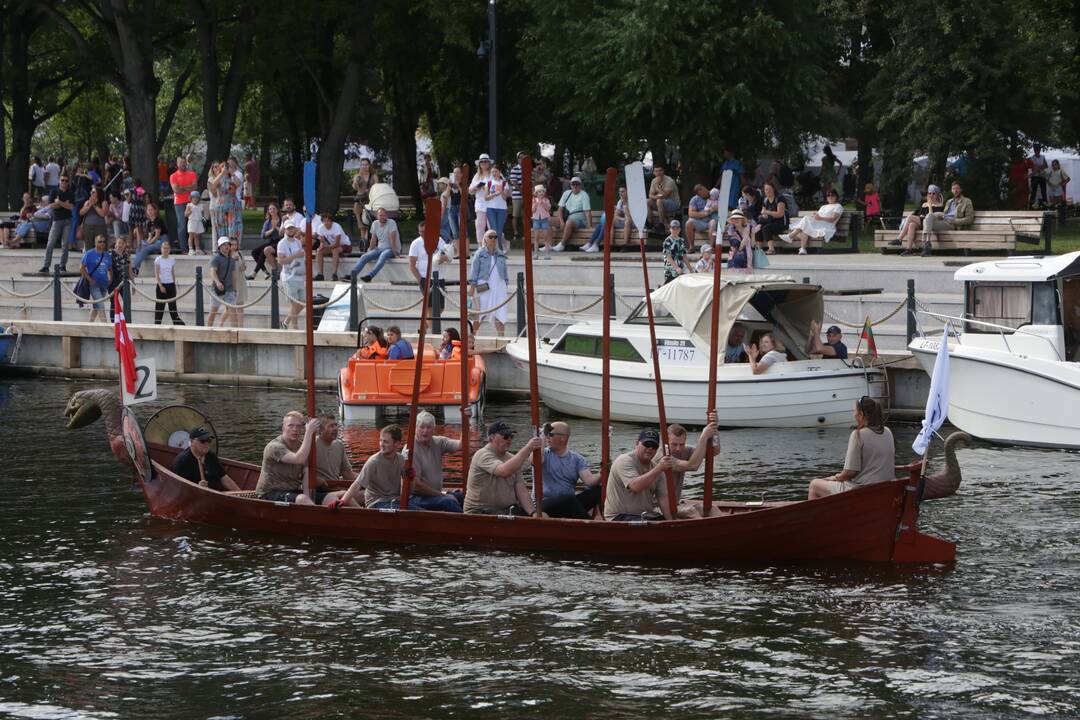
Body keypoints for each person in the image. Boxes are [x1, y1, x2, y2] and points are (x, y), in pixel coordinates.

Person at [808, 396, 895, 499]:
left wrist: (835, 477)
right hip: (885, 488)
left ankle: (815, 515)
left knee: (814, 485)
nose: (854, 414)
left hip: (861, 491)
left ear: (861, 414)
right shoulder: (888, 432)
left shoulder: (858, 435)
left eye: (855, 411)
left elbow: (850, 472)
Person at [255, 411, 343, 505]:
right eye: (291, 425)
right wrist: (309, 432)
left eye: (298, 426)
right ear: (283, 427)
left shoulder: (302, 447)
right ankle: (316, 517)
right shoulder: (274, 447)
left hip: (292, 490)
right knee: (302, 499)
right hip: (269, 493)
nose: (295, 429)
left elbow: (306, 473)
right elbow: (298, 459)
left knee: (331, 497)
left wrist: (309, 499)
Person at [463, 420, 543, 515]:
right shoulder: (482, 454)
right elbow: (503, 471)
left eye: (511, 436)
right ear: (492, 437)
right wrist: (529, 448)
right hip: (480, 510)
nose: (509, 440)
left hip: (506, 510)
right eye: (505, 436)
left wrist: (533, 513)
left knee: (543, 513)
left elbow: (521, 490)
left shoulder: (512, 458)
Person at [603, 428, 675, 521]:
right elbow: (635, 486)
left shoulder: (658, 470)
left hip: (644, 516)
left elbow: (663, 499)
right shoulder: (624, 460)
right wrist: (659, 468)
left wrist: (670, 522)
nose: (650, 448)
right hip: (618, 516)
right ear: (637, 443)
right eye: (647, 444)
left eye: (654, 446)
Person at [404, 410, 466, 512]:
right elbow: (415, 486)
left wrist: (465, 420)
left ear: (434, 429)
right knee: (448, 501)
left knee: (463, 496)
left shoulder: (438, 442)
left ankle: (476, 520)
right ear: (415, 428)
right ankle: (465, 526)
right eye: (422, 427)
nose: (425, 431)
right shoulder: (410, 449)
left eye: (429, 427)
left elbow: (461, 445)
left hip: (434, 494)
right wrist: (442, 495)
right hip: (415, 498)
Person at [539, 421, 600, 519]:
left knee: (598, 490)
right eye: (546, 434)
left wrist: (602, 473)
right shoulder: (543, 453)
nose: (547, 437)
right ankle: (591, 527)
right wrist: (542, 434)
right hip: (545, 503)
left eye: (550, 434)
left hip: (568, 503)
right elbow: (535, 461)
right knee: (567, 498)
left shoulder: (577, 459)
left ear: (563, 438)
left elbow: (589, 481)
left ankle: (598, 517)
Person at [666, 416, 720, 519]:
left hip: (676, 504)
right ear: (666, 441)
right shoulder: (663, 455)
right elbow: (692, 466)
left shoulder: (685, 451)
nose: (678, 448)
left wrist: (715, 429)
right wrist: (703, 437)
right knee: (691, 512)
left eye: (681, 444)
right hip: (658, 507)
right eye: (674, 444)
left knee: (712, 508)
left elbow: (714, 452)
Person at [312, 413, 361, 508]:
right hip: (322, 490)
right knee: (349, 494)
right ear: (321, 430)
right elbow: (302, 472)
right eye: (330, 426)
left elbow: (347, 473)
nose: (335, 428)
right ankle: (364, 515)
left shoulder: (339, 445)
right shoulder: (312, 444)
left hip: (337, 487)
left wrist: (367, 479)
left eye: (336, 425)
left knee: (368, 493)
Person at [170, 426, 240, 491]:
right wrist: (197, 488)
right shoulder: (181, 462)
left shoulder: (210, 456)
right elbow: (178, 489)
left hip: (215, 496)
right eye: (202, 441)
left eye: (209, 440)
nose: (206, 444)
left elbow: (224, 478)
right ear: (191, 442)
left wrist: (241, 494)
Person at [469, 229, 509, 336]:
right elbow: (474, 271)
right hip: (484, 286)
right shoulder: (479, 254)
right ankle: (472, 337)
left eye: (495, 237)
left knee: (500, 313)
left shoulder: (500, 254)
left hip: (499, 286)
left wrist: (505, 283)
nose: (493, 239)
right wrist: (472, 287)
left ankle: (501, 340)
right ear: (485, 239)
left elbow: (505, 271)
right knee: (480, 312)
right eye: (490, 237)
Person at [780, 188, 843, 255]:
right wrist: (815, 216)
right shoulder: (824, 207)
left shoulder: (838, 206)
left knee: (806, 220)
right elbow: (818, 216)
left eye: (832, 195)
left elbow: (833, 219)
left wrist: (820, 218)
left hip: (827, 225)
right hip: (818, 223)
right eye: (828, 195)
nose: (830, 197)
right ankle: (802, 249)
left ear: (836, 197)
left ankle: (790, 236)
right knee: (805, 227)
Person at [889, 185, 945, 257]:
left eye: (933, 193)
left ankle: (899, 239)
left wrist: (930, 205)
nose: (931, 195)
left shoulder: (939, 205)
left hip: (929, 225)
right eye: (930, 193)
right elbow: (919, 214)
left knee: (910, 217)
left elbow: (931, 216)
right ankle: (908, 249)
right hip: (921, 223)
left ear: (937, 194)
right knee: (911, 224)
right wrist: (921, 215)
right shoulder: (924, 204)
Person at [921, 180, 974, 255]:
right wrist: (940, 215)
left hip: (953, 225)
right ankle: (927, 243)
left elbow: (969, 219)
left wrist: (954, 221)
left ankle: (925, 245)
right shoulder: (949, 201)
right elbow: (945, 214)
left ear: (961, 189)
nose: (955, 191)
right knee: (929, 216)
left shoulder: (967, 201)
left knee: (927, 220)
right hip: (944, 221)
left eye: (957, 188)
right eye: (953, 189)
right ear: (951, 190)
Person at [350, 207, 399, 282]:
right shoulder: (375, 224)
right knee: (364, 256)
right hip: (379, 249)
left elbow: (392, 240)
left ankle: (370, 276)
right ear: (377, 216)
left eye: (383, 215)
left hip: (392, 249)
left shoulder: (391, 222)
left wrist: (396, 254)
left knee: (383, 255)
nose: (382, 217)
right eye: (380, 215)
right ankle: (352, 275)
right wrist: (369, 250)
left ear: (386, 216)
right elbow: (373, 239)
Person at [38, 175, 75, 273]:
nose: (64, 182)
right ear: (59, 181)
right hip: (57, 220)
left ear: (68, 182)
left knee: (65, 244)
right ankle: (46, 266)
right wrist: (64, 204)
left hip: (67, 220)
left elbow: (71, 207)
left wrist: (59, 202)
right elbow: (51, 206)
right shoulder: (54, 191)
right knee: (50, 243)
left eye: (66, 180)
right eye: (62, 180)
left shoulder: (70, 193)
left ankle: (63, 266)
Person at [278, 221, 306, 329]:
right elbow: (281, 261)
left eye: (292, 228)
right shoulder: (282, 243)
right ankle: (295, 327)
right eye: (288, 228)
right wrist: (294, 255)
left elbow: (301, 257)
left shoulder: (298, 242)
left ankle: (286, 322)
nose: (290, 230)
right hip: (288, 276)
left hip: (298, 275)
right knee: (294, 303)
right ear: (285, 230)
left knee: (303, 302)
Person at [553, 177, 592, 251]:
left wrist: (589, 226)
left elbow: (587, 212)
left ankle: (562, 244)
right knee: (548, 220)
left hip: (580, 221)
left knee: (569, 222)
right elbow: (560, 210)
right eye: (573, 184)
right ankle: (548, 244)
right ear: (570, 185)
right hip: (567, 219)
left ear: (580, 185)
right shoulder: (566, 193)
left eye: (577, 184)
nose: (575, 186)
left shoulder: (584, 195)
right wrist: (561, 222)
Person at [80, 234, 113, 323]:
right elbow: (82, 268)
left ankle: (90, 323)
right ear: (95, 243)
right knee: (100, 304)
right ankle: (105, 325)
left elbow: (110, 268)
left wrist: (110, 279)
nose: (102, 243)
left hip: (104, 283)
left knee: (97, 305)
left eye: (103, 242)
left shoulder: (107, 255)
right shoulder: (89, 254)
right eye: (99, 242)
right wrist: (90, 279)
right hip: (94, 284)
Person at [131, 201, 168, 276]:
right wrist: (146, 243)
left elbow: (157, 236)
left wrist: (148, 244)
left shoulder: (158, 220)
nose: (150, 211)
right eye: (148, 210)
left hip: (162, 241)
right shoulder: (149, 223)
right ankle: (137, 269)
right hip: (154, 241)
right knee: (140, 248)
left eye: (151, 209)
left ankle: (134, 266)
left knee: (146, 248)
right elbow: (150, 236)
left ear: (155, 210)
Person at [207, 237, 237, 327]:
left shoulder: (231, 260)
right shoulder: (216, 258)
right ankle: (208, 330)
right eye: (224, 245)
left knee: (233, 312)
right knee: (213, 311)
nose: (227, 246)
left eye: (228, 244)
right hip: (217, 290)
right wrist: (217, 282)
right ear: (219, 247)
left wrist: (234, 289)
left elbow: (234, 275)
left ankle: (235, 333)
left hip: (229, 289)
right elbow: (212, 271)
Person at [153, 240, 185, 326]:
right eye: (164, 248)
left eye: (167, 248)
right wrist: (160, 285)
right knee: (159, 308)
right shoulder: (158, 260)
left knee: (173, 307)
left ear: (169, 249)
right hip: (161, 285)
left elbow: (172, 272)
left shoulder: (172, 259)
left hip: (170, 284)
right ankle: (157, 325)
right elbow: (156, 274)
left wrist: (174, 285)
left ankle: (178, 325)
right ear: (161, 249)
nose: (165, 250)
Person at [314, 212, 352, 281]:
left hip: (345, 245)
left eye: (328, 221)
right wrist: (321, 246)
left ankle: (334, 274)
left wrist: (325, 247)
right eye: (324, 221)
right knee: (319, 251)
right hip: (332, 246)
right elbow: (322, 242)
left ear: (332, 221)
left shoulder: (337, 226)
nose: (326, 223)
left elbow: (337, 244)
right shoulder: (320, 228)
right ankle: (320, 274)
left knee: (335, 250)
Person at [752, 180, 788, 255]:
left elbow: (780, 214)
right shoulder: (765, 200)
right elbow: (763, 212)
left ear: (773, 189)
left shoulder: (780, 199)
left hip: (781, 223)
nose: (767, 191)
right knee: (759, 227)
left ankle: (771, 249)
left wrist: (767, 212)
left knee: (766, 228)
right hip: (770, 221)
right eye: (766, 189)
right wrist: (763, 215)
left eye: (769, 189)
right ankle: (758, 249)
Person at [169, 156, 197, 252]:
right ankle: (183, 248)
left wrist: (182, 188)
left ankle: (196, 247)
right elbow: (176, 190)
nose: (183, 164)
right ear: (177, 164)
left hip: (191, 202)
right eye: (180, 162)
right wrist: (188, 188)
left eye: (184, 162)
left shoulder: (192, 174)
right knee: (182, 225)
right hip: (179, 203)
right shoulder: (173, 176)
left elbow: (194, 187)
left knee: (194, 222)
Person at [352, 158, 380, 243]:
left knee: (369, 218)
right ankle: (363, 239)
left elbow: (377, 186)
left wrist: (371, 189)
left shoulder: (373, 176)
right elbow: (354, 187)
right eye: (363, 165)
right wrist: (357, 181)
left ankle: (369, 238)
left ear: (369, 165)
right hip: (360, 199)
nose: (364, 166)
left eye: (366, 164)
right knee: (359, 213)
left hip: (371, 199)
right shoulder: (358, 176)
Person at [484, 165, 511, 252]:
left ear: (499, 172)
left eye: (496, 171)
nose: (494, 173)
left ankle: (497, 249)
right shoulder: (489, 183)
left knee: (499, 231)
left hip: (502, 209)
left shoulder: (504, 183)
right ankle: (496, 250)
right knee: (494, 230)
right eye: (493, 172)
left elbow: (505, 197)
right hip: (491, 208)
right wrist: (494, 194)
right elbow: (486, 197)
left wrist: (501, 191)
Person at [251, 202, 281, 280]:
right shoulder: (268, 222)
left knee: (264, 251)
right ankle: (265, 272)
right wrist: (272, 229)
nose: (272, 210)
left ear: (277, 210)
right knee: (254, 252)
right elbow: (263, 235)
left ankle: (254, 273)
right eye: (270, 209)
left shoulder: (282, 220)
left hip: (280, 242)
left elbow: (283, 234)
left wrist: (277, 228)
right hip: (271, 242)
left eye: (274, 208)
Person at [469, 153, 494, 241]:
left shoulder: (493, 174)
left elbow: (499, 187)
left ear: (489, 163)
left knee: (492, 228)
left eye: (486, 161)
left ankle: (502, 243)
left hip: (492, 203)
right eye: (482, 162)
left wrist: (486, 188)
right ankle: (481, 248)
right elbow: (470, 190)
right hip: (480, 204)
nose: (484, 163)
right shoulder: (476, 176)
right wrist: (476, 188)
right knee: (479, 227)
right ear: (479, 164)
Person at [531, 184, 553, 255]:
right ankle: (536, 253)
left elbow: (548, 209)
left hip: (544, 220)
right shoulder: (534, 200)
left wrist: (543, 203)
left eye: (542, 192)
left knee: (546, 237)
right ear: (536, 193)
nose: (541, 193)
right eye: (539, 192)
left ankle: (547, 254)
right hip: (536, 220)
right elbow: (533, 210)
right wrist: (536, 204)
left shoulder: (546, 200)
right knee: (536, 237)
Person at [184, 190, 206, 255]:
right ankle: (190, 249)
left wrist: (202, 218)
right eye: (194, 198)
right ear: (191, 198)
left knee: (197, 236)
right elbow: (185, 214)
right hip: (192, 222)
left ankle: (197, 249)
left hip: (198, 222)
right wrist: (189, 212)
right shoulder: (189, 205)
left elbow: (202, 214)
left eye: (197, 198)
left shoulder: (200, 205)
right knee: (191, 236)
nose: (195, 199)